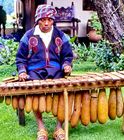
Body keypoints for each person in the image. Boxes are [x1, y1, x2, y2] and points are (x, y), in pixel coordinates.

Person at [16, 4, 73, 140]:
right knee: (35, 92)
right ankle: (41, 128)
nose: (46, 23)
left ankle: (59, 128)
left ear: (53, 20)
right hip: (35, 71)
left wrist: (66, 65)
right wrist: (22, 71)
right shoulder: (28, 36)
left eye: (49, 19)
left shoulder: (60, 36)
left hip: (56, 71)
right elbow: (20, 58)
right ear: (37, 20)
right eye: (43, 19)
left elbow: (67, 56)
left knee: (63, 91)